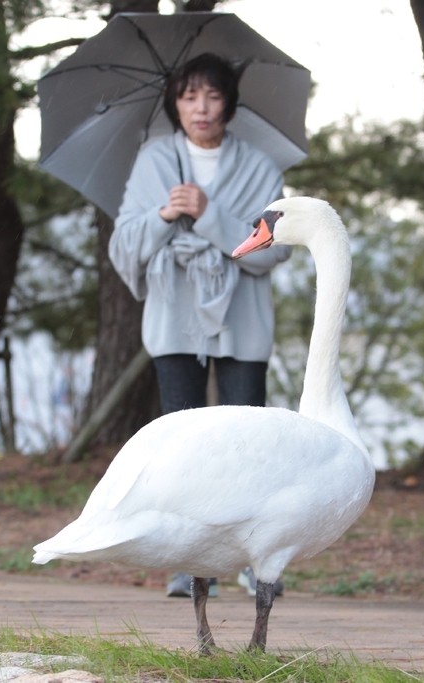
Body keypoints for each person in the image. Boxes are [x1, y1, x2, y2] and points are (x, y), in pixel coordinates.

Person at [109, 53, 292, 598]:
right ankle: (192, 567)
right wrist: (164, 215)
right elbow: (123, 244)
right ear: (175, 104)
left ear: (229, 103)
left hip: (244, 322)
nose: (201, 108)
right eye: (189, 96)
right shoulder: (153, 162)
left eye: (212, 96)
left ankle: (260, 564)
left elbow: (267, 253)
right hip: (175, 320)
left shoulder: (261, 168)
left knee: (249, 446)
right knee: (182, 448)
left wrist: (209, 214)